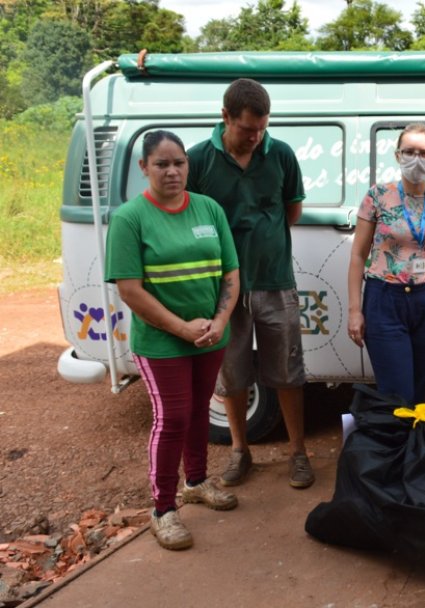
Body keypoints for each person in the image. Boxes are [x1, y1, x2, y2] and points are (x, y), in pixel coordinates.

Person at [105, 130, 240, 550]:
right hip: (162, 342)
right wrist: (182, 328)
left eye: (179, 163)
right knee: (173, 418)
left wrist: (220, 321)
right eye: (161, 164)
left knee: (199, 411)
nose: (172, 171)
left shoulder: (208, 209)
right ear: (144, 167)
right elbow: (130, 290)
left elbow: (231, 273)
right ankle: (162, 509)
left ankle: (196, 482)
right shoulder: (130, 219)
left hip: (210, 336)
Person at [186, 78, 314, 489]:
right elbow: (189, 221)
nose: (256, 137)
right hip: (223, 289)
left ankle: (298, 452)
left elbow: (291, 211)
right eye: (246, 129)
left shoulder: (281, 154)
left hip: (275, 279)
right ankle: (240, 451)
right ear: (225, 116)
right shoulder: (198, 160)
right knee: (233, 374)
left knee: (288, 370)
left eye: (262, 128)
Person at [347, 123, 425, 405]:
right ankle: (394, 435)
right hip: (384, 300)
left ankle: (411, 435)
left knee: (419, 391)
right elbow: (358, 255)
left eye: (423, 153)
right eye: (409, 151)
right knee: (397, 394)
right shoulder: (377, 196)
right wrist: (354, 311)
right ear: (397, 155)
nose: (416, 159)